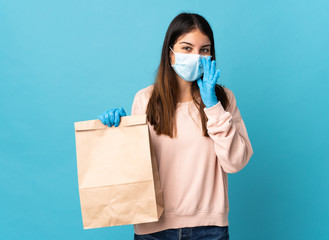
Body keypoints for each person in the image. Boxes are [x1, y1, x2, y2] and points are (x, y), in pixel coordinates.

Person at [98, 12, 254, 240]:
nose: (196, 56)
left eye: (204, 50)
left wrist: (212, 106)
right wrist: (119, 131)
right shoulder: (145, 100)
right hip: (153, 229)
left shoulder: (224, 99)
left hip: (209, 228)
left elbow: (235, 162)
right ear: (170, 53)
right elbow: (133, 168)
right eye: (187, 48)